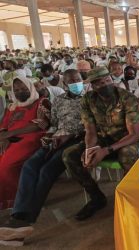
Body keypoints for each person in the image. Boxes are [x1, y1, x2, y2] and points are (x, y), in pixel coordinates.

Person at [0, 70, 85, 247]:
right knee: (30, 166)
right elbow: (53, 123)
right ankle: (19, 216)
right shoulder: (60, 100)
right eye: (71, 81)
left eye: (77, 80)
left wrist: (69, 135)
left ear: (82, 80)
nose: (75, 83)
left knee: (46, 171)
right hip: (57, 138)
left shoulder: (89, 99)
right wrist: (50, 133)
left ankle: (24, 220)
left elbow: (91, 125)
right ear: (65, 83)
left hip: (78, 139)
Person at [62, 67, 139, 221]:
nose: (105, 85)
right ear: (92, 86)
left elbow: (134, 134)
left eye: (107, 80)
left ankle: (129, 198)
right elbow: (90, 131)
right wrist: (90, 149)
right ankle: (96, 197)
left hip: (124, 140)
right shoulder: (88, 99)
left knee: (129, 154)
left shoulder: (127, 98)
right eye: (99, 83)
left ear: (112, 79)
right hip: (102, 138)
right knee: (69, 155)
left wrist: (105, 151)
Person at [0, 76, 51, 210]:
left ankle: (16, 199)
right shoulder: (12, 107)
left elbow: (40, 125)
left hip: (31, 138)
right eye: (16, 90)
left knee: (6, 165)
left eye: (23, 88)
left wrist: (10, 134)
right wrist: (4, 138)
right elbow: (4, 127)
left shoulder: (41, 102)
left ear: (30, 87)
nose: (19, 92)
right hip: (11, 140)